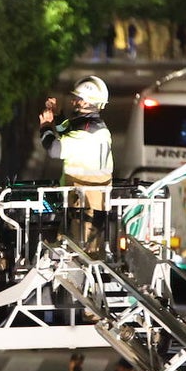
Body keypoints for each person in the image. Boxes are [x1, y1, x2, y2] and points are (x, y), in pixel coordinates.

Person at [39, 76, 114, 251]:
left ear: (87, 102)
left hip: (86, 204)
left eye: (77, 99)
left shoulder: (86, 134)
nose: (73, 101)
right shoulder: (93, 127)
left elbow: (54, 149)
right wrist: (57, 116)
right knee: (72, 250)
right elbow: (68, 129)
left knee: (78, 254)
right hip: (89, 201)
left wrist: (45, 126)